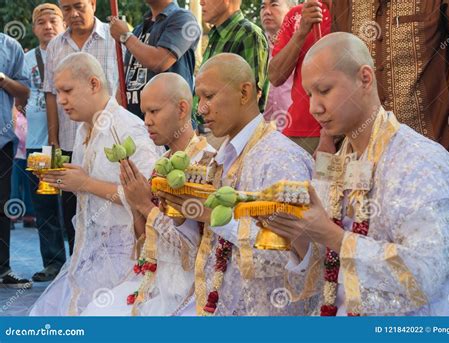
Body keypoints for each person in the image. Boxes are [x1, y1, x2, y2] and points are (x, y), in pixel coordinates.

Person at [262, 32, 449, 316]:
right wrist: (297, 232)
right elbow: (327, 267)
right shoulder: (336, 163)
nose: (314, 108)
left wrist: (332, 235)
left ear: (364, 78)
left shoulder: (420, 162)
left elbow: (424, 274)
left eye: (324, 90)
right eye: (309, 94)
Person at [160, 53, 317, 316]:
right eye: (199, 98)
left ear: (244, 93)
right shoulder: (223, 157)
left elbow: (291, 259)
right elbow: (208, 247)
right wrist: (183, 214)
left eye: (209, 97)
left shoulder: (279, 159)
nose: (201, 109)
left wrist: (215, 217)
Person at [29, 53, 160, 316]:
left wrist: (86, 182)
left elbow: (149, 200)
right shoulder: (83, 129)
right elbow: (88, 185)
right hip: (86, 257)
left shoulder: (128, 129)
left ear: (93, 84)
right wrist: (68, 179)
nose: (61, 100)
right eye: (57, 92)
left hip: (124, 263)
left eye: (67, 90)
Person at [82, 73, 216, 316]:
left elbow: (194, 252)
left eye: (154, 111)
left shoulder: (207, 163)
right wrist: (135, 203)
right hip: (153, 280)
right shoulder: (161, 162)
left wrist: (145, 205)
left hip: (190, 289)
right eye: (145, 113)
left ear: (182, 109)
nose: (147, 122)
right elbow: (146, 240)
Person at [327, 0, 449, 174]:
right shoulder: (343, 4)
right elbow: (339, 69)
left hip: (436, 153)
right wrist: (327, 136)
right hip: (367, 161)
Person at [44, 0, 119, 254]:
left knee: (110, 206)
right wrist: (53, 139)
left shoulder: (115, 37)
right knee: (73, 212)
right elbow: (51, 95)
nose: (73, 14)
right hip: (68, 140)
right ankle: (78, 265)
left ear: (93, 4)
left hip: (111, 140)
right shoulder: (55, 45)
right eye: (66, 9)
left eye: (79, 6)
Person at [24, 3, 67, 282]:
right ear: (33, 28)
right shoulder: (26, 60)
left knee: (77, 205)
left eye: (53, 20)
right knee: (45, 207)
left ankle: (81, 261)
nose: (48, 26)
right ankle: (53, 263)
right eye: (41, 22)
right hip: (38, 145)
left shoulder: (73, 53)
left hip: (73, 141)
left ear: (62, 24)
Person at [109, 0, 201, 120]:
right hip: (135, 127)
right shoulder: (138, 30)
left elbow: (159, 61)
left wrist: (125, 36)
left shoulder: (183, 19)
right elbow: (126, 79)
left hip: (170, 128)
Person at [193, 0, 269, 132]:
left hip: (231, 135)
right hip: (207, 131)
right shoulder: (215, 35)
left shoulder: (248, 34)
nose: (201, 2)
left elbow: (252, 100)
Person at [268, 0, 331, 155]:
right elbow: (275, 76)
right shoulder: (296, 15)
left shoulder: (356, 14)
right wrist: (302, 31)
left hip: (342, 131)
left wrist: (329, 134)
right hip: (298, 132)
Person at [0, 32, 31, 288]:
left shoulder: (10, 47)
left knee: (2, 206)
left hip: (2, 141)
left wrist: (2, 79)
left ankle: (2, 268)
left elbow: (24, 92)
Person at [260, 0, 296, 126]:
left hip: (293, 129)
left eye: (274, 5)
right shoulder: (255, 43)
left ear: (292, 9)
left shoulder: (302, 44)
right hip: (261, 130)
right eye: (263, 7)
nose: (267, 11)